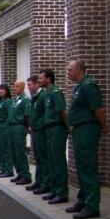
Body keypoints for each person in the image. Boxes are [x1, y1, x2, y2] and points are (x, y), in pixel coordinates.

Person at [66, 60, 110, 219]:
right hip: (79, 129)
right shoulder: (80, 86)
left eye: (70, 70)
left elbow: (98, 108)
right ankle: (83, 200)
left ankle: (92, 206)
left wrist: (104, 126)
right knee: (81, 166)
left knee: (88, 166)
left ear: (80, 70)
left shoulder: (88, 85)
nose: (68, 72)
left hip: (87, 129)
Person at [39, 69, 69, 205]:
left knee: (58, 161)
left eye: (41, 78)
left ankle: (62, 193)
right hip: (49, 129)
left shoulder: (56, 93)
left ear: (49, 79)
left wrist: (68, 127)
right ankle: (55, 189)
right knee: (51, 161)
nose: (39, 80)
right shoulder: (46, 93)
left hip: (57, 128)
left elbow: (62, 111)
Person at [26, 76, 50, 194]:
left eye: (30, 85)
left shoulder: (42, 96)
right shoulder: (35, 97)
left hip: (41, 131)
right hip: (35, 130)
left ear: (36, 85)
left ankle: (46, 183)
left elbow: (46, 114)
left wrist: (40, 126)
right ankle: (39, 181)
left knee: (43, 158)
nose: (28, 87)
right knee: (38, 158)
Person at [7, 80, 32, 185]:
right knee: (13, 152)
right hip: (12, 127)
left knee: (20, 152)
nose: (15, 88)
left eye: (17, 86)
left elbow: (27, 116)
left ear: (22, 87)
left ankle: (26, 176)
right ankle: (19, 173)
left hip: (19, 127)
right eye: (14, 86)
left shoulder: (25, 100)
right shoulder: (15, 99)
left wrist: (29, 127)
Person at [0, 84, 13, 178]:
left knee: (7, 149)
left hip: (5, 127)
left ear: (7, 91)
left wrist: (6, 126)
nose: (0, 91)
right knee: (1, 148)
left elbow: (9, 116)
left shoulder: (8, 102)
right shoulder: (0, 101)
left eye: (2, 89)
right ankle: (4, 168)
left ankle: (9, 169)